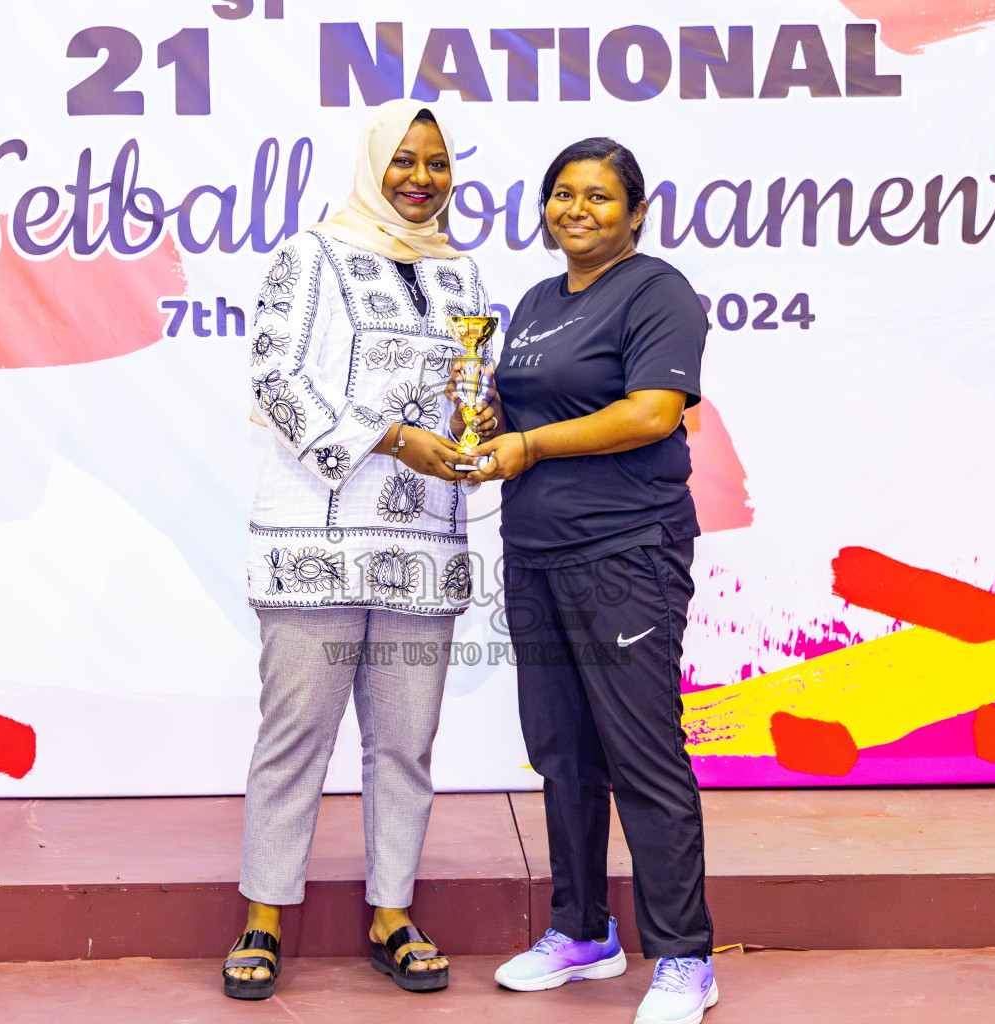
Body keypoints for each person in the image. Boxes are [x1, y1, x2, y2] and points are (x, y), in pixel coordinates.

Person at [225, 99, 489, 1001]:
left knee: (406, 741)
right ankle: (263, 915)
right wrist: (386, 439)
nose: (421, 178)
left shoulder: (462, 277)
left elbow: (462, 387)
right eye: (404, 160)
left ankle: (391, 912)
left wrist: (478, 421)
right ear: (372, 161)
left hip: (424, 539)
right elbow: (276, 381)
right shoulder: (311, 254)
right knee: (296, 734)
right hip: (316, 538)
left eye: (437, 163)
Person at [466, 138, 717, 1024]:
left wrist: (529, 444)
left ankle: (685, 956)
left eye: (600, 197)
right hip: (535, 552)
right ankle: (582, 932)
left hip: (626, 555)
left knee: (641, 754)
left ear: (636, 212)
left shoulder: (657, 293)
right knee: (563, 752)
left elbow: (649, 412)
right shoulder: (535, 302)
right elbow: (526, 406)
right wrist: (491, 419)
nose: (578, 210)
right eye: (562, 195)